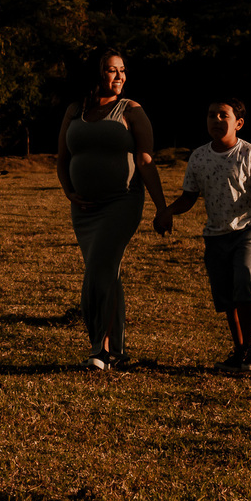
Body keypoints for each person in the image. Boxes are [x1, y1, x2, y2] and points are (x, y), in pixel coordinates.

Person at [154, 98, 251, 372]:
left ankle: (249, 349)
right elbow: (189, 197)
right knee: (226, 295)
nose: (215, 120)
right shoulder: (199, 156)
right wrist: (167, 212)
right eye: (211, 115)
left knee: (245, 283)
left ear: (238, 123)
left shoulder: (250, 154)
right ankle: (240, 350)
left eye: (222, 115)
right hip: (216, 233)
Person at [57, 50, 168, 370]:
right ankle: (116, 350)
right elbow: (63, 159)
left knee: (98, 272)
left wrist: (162, 208)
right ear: (96, 74)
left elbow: (146, 161)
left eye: (122, 71)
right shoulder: (74, 110)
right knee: (108, 274)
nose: (119, 76)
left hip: (121, 203)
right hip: (85, 211)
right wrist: (70, 192)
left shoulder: (132, 111)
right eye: (111, 70)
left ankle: (99, 348)